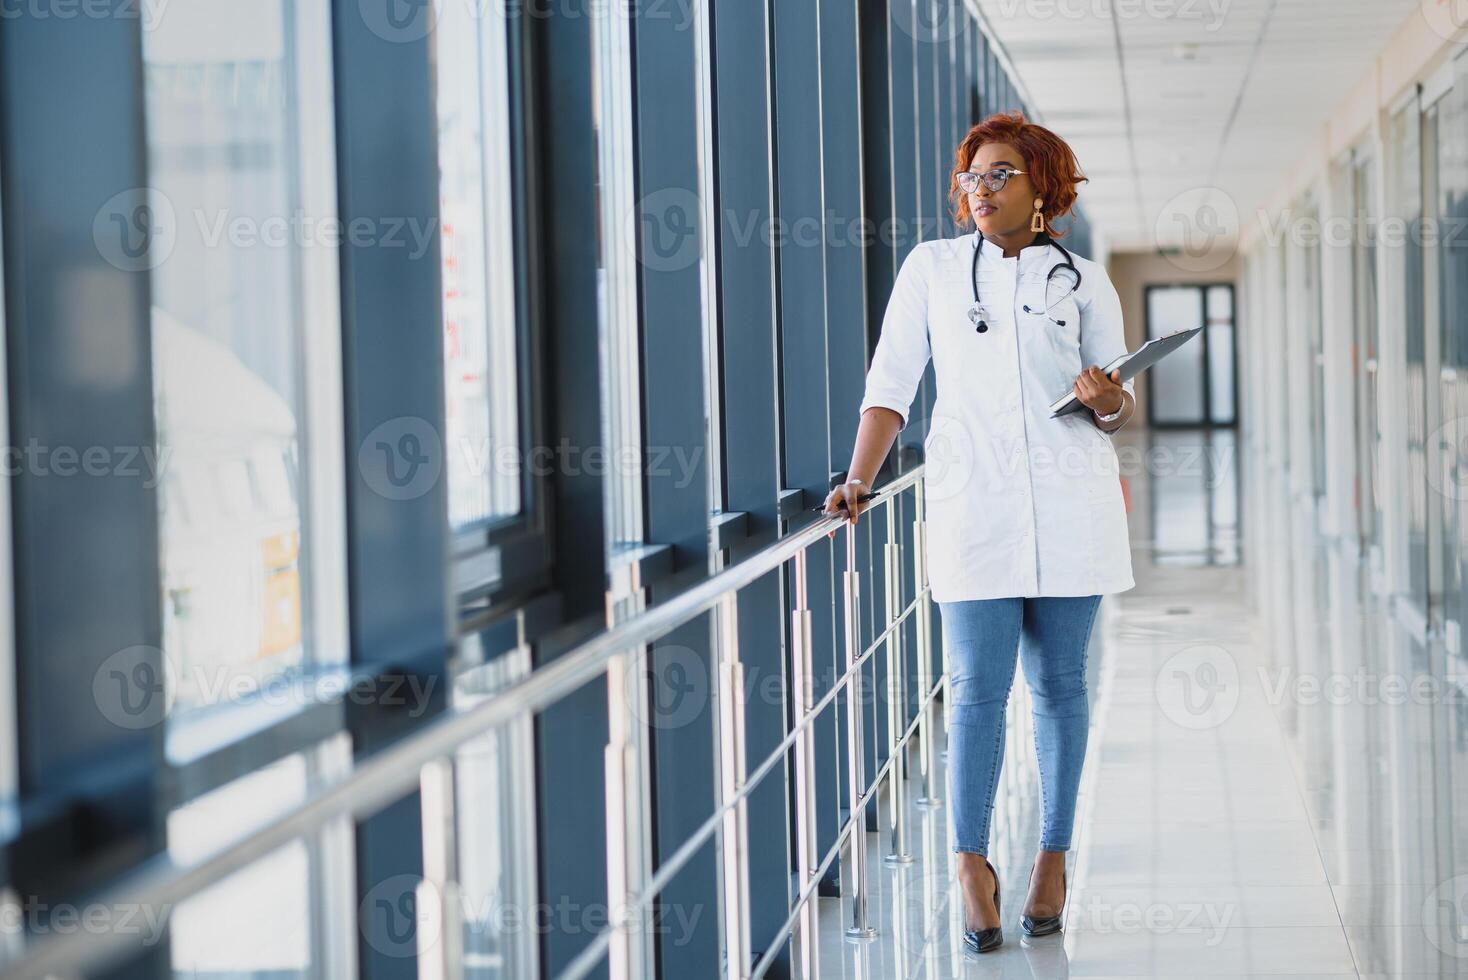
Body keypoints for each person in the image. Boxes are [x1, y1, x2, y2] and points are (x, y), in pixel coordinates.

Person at [823, 111, 1135, 954]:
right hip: (974, 509)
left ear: (1041, 188)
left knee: (1062, 688)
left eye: (1000, 174)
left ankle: (1053, 857)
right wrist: (859, 477)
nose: (981, 190)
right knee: (974, 693)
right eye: (972, 177)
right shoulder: (930, 270)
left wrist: (1108, 397)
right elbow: (891, 382)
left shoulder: (1085, 279)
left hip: (1071, 507)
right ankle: (970, 866)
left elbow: (1115, 403)